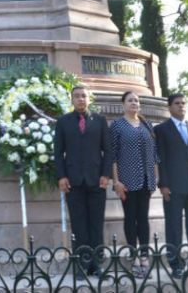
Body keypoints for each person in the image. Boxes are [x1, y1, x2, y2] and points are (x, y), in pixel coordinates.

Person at [54, 85, 112, 280]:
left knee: (96, 223)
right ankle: (82, 264)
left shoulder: (100, 121)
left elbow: (108, 151)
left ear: (89, 99)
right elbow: (58, 153)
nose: (80, 99)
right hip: (73, 181)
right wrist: (61, 176)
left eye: (83, 96)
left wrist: (106, 174)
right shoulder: (63, 122)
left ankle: (96, 264)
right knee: (78, 225)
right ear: (71, 99)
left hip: (97, 181)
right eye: (77, 96)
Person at [154, 93, 188, 279]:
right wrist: (163, 184)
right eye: (177, 103)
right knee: (174, 227)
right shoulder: (161, 130)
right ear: (169, 107)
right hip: (173, 187)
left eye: (183, 103)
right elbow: (160, 160)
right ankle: (176, 264)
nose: (181, 106)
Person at [111, 91, 159, 278]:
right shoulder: (117, 125)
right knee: (131, 218)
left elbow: (154, 153)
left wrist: (156, 176)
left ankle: (145, 256)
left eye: (137, 100)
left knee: (143, 219)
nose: (134, 103)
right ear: (123, 104)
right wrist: (116, 181)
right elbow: (112, 156)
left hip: (146, 180)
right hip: (127, 181)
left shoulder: (147, 124)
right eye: (130, 100)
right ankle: (134, 256)